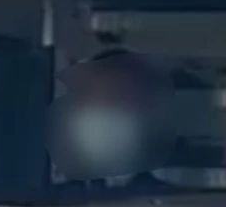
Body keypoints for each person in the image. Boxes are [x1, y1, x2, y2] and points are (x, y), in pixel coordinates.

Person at [49, 48, 172, 198]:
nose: (104, 114)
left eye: (118, 99)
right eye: (95, 100)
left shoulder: (173, 203)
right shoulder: (48, 202)